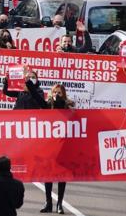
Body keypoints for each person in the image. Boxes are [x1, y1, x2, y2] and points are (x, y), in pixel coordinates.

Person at [41, 84, 74, 214]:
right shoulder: (47, 105)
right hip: (49, 146)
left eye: (59, 93)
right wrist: (28, 83)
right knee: (48, 174)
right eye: (54, 92)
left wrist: (59, 100)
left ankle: (59, 203)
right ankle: (48, 202)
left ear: (63, 94)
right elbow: (37, 99)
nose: (56, 95)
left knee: (62, 176)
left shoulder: (68, 106)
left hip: (63, 146)